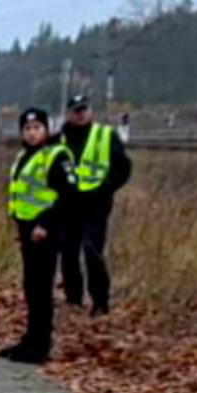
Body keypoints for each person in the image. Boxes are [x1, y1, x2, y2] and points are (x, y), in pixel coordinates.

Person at [0, 108, 78, 365]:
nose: (32, 133)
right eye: (27, 129)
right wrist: (19, 227)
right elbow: (22, 194)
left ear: (46, 129)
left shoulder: (56, 155)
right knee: (31, 288)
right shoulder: (24, 156)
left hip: (46, 231)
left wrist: (45, 224)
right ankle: (30, 340)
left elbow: (67, 196)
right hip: (27, 230)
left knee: (41, 289)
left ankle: (41, 346)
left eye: (37, 128)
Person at [56, 94, 132, 315]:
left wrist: (106, 188)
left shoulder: (106, 135)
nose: (80, 114)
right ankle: (73, 299)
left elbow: (123, 168)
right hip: (67, 204)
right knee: (68, 253)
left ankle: (100, 302)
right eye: (75, 111)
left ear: (90, 111)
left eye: (83, 110)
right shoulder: (58, 139)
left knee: (92, 251)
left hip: (95, 206)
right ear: (68, 113)